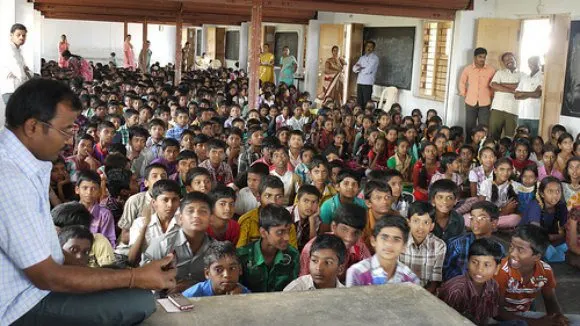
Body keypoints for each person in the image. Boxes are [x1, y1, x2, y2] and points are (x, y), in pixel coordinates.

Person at [0, 79, 175, 325]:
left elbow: (47, 254)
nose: (68, 140)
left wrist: (121, 275)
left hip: (38, 284)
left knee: (120, 278)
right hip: (19, 305)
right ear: (32, 127)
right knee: (139, 301)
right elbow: (47, 277)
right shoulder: (9, 177)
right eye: (65, 130)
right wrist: (135, 278)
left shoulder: (22, 163)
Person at [495, 225, 569, 325]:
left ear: (536, 257)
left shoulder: (545, 271)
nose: (512, 253)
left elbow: (550, 300)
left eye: (520, 250)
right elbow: (496, 311)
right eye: (512, 246)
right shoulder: (501, 271)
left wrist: (557, 316)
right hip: (499, 318)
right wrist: (537, 323)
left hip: (525, 315)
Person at [143, 192, 215, 292]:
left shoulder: (215, 248)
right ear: (180, 218)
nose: (196, 216)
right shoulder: (162, 244)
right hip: (164, 301)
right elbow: (143, 279)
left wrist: (194, 287)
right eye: (190, 211)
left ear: (211, 219)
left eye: (202, 212)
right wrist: (168, 285)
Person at [438, 238, 504, 325]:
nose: (480, 269)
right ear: (467, 262)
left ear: (497, 269)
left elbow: (488, 318)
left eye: (487, 265)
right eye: (474, 262)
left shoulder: (493, 286)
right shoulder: (455, 290)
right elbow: (443, 320)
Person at [237, 204, 300, 292]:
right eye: (280, 232)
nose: (287, 238)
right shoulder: (242, 256)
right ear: (263, 233)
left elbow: (293, 289)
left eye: (288, 231)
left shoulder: (292, 255)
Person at [346, 215, 420, 286]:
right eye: (384, 238)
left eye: (396, 239)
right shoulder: (357, 273)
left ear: (404, 246)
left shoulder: (410, 279)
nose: (389, 244)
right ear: (373, 241)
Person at [443, 201, 505, 281]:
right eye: (472, 218)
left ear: (493, 223)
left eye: (481, 218)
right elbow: (445, 271)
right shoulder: (457, 244)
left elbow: (497, 273)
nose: (475, 222)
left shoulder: (499, 248)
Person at [128, 179, 181, 266]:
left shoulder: (183, 223)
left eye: (174, 200)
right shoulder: (140, 223)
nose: (170, 205)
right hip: (147, 273)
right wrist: (145, 227)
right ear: (154, 202)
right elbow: (132, 260)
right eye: (165, 200)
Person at [399, 201, 446, 293]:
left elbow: (435, 279)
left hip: (426, 293)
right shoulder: (399, 241)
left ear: (432, 226)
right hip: (400, 290)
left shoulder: (439, 245)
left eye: (426, 222)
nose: (420, 227)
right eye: (416, 221)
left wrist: (424, 296)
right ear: (408, 222)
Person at [51, 202, 116, 268]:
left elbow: (109, 272)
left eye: (56, 229)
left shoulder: (99, 241)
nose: (52, 232)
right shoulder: (48, 247)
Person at [182, 241, 250, 297]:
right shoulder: (190, 296)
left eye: (232, 268)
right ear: (207, 273)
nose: (226, 275)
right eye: (218, 270)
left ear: (240, 270)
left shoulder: (243, 294)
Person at [458, 47, 496, 139]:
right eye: (480, 57)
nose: (482, 59)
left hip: (485, 102)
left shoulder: (491, 70)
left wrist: (491, 95)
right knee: (470, 126)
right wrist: (464, 93)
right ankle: (469, 146)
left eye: (484, 57)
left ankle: (482, 147)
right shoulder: (468, 69)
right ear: (475, 57)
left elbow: (494, 85)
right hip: (470, 102)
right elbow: (462, 82)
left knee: (484, 127)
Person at [489, 52, 522, 139]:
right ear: (503, 63)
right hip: (497, 108)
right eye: (506, 60)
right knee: (493, 136)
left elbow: (520, 87)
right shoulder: (500, 73)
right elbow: (493, 85)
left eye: (510, 58)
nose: (509, 61)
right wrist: (512, 90)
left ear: (515, 59)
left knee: (510, 137)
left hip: (513, 110)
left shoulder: (522, 74)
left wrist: (501, 85)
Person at [1, 24, 32, 105]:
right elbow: (21, 73)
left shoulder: (18, 51)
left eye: (24, 35)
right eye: (18, 35)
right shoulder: (9, 50)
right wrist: (24, 72)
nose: (21, 37)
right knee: (17, 117)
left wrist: (26, 72)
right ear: (11, 35)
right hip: (11, 91)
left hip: (17, 90)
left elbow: (27, 71)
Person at [515, 56, 543, 137]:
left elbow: (538, 94)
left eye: (535, 62)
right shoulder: (524, 77)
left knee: (533, 138)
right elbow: (516, 95)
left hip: (535, 115)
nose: (532, 64)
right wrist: (532, 93)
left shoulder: (543, 76)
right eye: (530, 63)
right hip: (522, 114)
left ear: (539, 63)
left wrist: (522, 94)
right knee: (521, 138)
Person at [352, 41, 379, 108]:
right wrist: (360, 68)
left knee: (366, 103)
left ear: (373, 48)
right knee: (359, 102)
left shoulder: (375, 58)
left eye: (371, 47)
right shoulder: (362, 58)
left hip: (368, 83)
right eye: (367, 46)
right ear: (365, 47)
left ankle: (366, 117)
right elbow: (354, 69)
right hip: (360, 82)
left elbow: (368, 70)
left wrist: (360, 68)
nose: (369, 48)